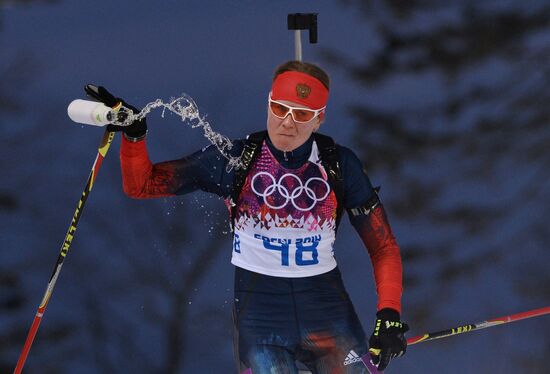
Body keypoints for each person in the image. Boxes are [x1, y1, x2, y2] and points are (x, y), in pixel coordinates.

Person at [85, 60, 408, 373]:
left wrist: (389, 312)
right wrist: (135, 135)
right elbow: (142, 185)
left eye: (302, 114)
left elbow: (383, 247)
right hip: (262, 319)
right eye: (280, 108)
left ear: (319, 118)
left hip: (326, 313)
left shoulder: (339, 165)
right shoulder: (235, 161)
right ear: (268, 103)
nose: (288, 122)